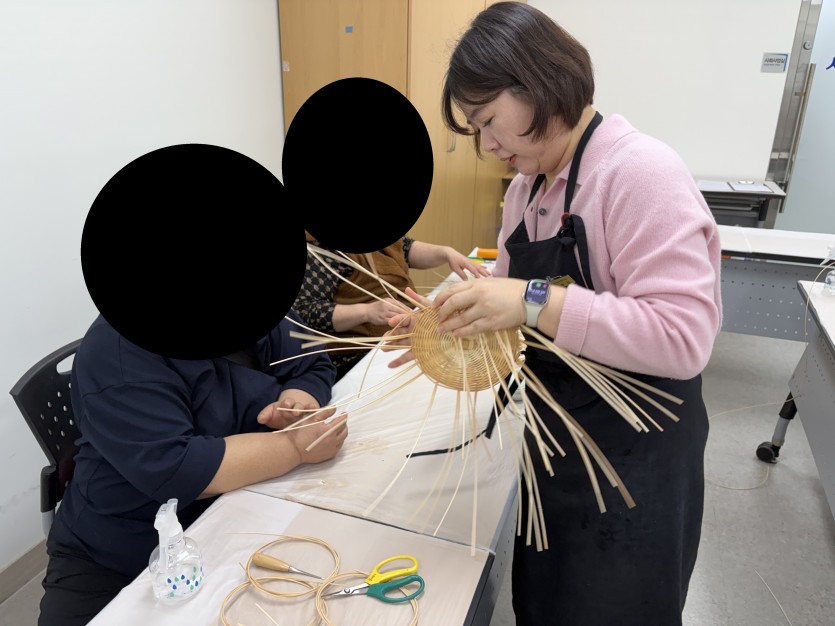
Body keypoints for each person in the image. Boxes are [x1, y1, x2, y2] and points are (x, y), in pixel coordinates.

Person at [384, 3, 722, 625]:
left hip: (637, 454)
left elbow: (682, 338)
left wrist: (531, 300)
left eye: (489, 121)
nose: (488, 146)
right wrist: (446, 325)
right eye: (476, 130)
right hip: (556, 439)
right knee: (548, 603)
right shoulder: (527, 188)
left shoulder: (639, 173)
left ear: (538, 82)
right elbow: (511, 303)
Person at [39, 312, 348, 626]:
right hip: (121, 546)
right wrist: (293, 447)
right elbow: (178, 469)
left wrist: (297, 400)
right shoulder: (117, 354)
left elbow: (312, 362)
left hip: (238, 507)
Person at [293, 233, 489, 380]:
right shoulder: (318, 250)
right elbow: (304, 310)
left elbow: (405, 249)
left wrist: (445, 253)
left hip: (406, 331)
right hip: (360, 355)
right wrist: (366, 312)